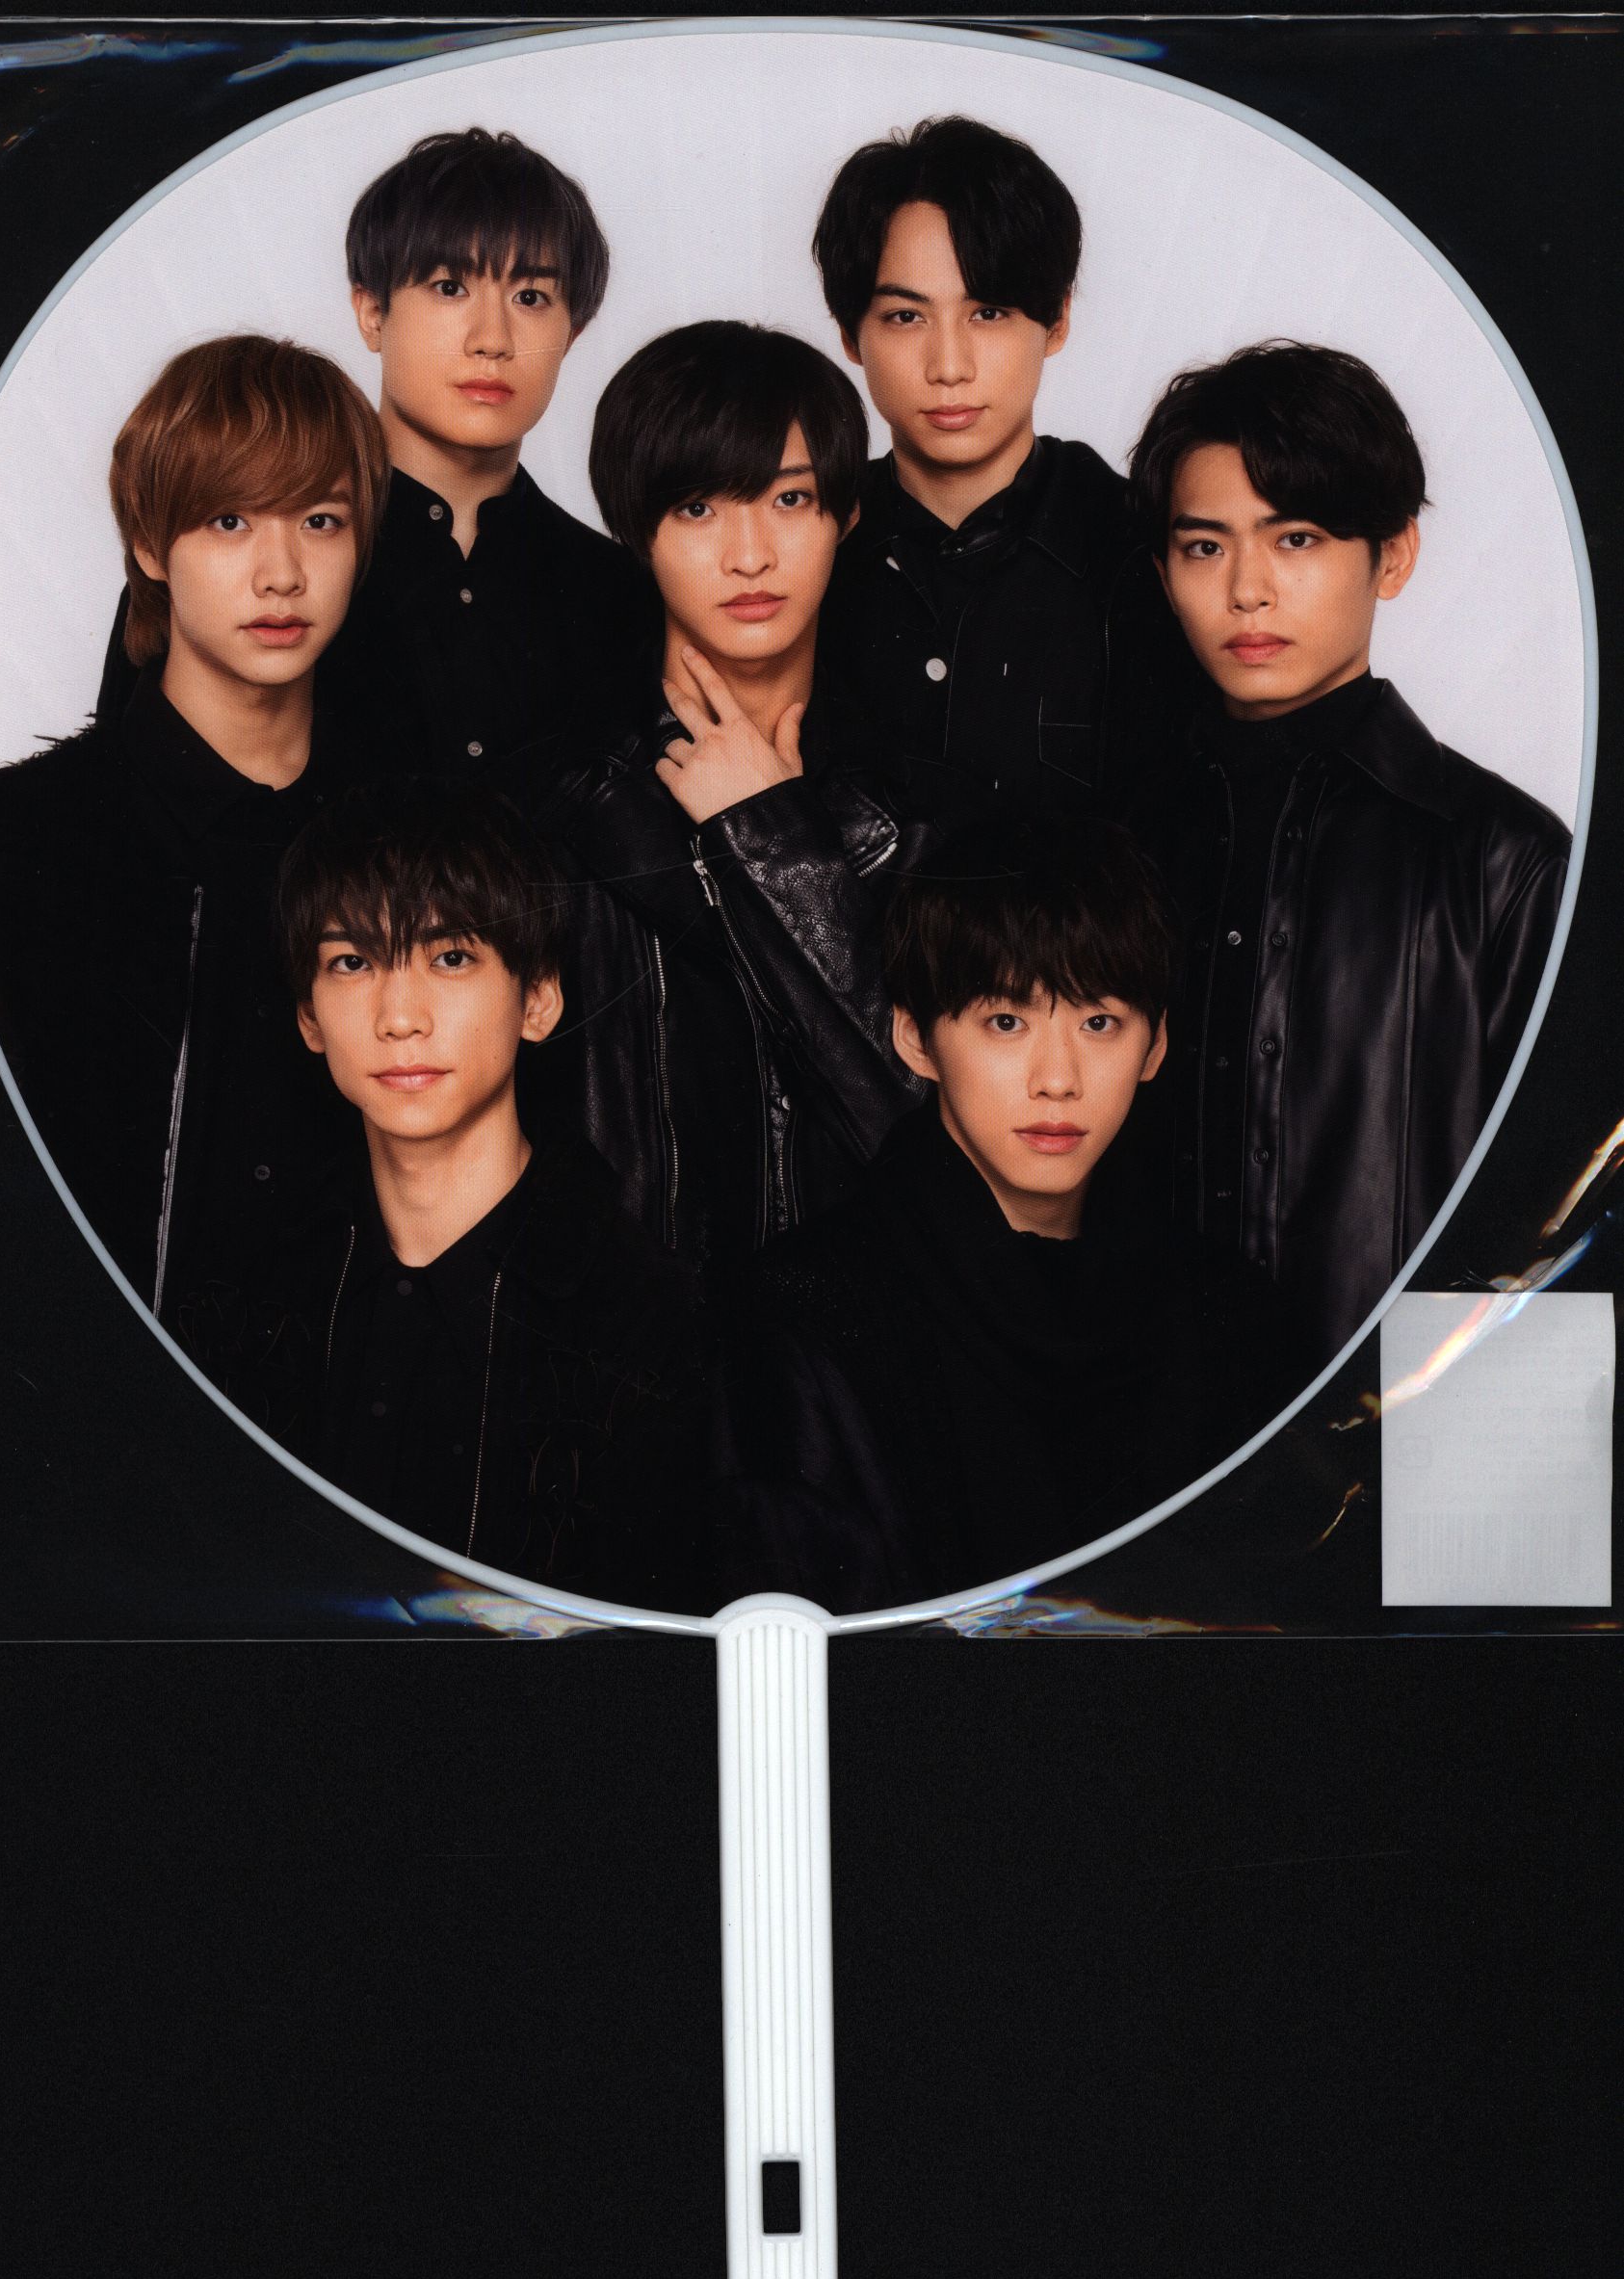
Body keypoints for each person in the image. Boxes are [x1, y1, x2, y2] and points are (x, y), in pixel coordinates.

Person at [712, 820, 1297, 1613]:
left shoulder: (1228, 1313)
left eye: (1098, 1023)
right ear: (915, 1039)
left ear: (1155, 1046)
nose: (1056, 1079)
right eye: (1006, 1022)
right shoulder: (803, 1313)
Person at [1126, 340, 1570, 1358]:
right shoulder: (1125, 843)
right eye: (1204, 547)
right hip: (1150, 1426)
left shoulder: (1506, 863)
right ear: (1161, 570)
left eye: (1297, 538)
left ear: (1393, 555)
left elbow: (1561, 1229)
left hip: (1405, 1420)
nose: (1247, 590)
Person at [0, 334, 387, 1318]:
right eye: (230, 520)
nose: (281, 573)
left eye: (320, 520)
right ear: (150, 546)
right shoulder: (21, 842)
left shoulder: (405, 836)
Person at [211, 784, 708, 1607]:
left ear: (537, 1000)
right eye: (352, 962)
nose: (399, 1017)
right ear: (308, 1016)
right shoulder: (247, 1296)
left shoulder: (648, 1321)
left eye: (450, 957)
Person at [532, 319, 931, 1281]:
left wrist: (769, 832)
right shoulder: (558, 804)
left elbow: (933, 1145)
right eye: (699, 507)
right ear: (634, 527)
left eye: (789, 499)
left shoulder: (913, 806)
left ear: (845, 514)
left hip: (861, 1341)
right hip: (627, 1344)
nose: (750, 555)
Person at [809, 114, 1189, 824]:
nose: (949, 366)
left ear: (1057, 321)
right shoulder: (794, 548)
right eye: (905, 317)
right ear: (849, 334)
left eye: (988, 312)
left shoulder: (1146, 548)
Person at [338, 125, 660, 776]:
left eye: (530, 297)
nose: (492, 339)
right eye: (449, 287)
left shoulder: (620, 591)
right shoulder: (273, 559)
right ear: (372, 313)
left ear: (572, 333)